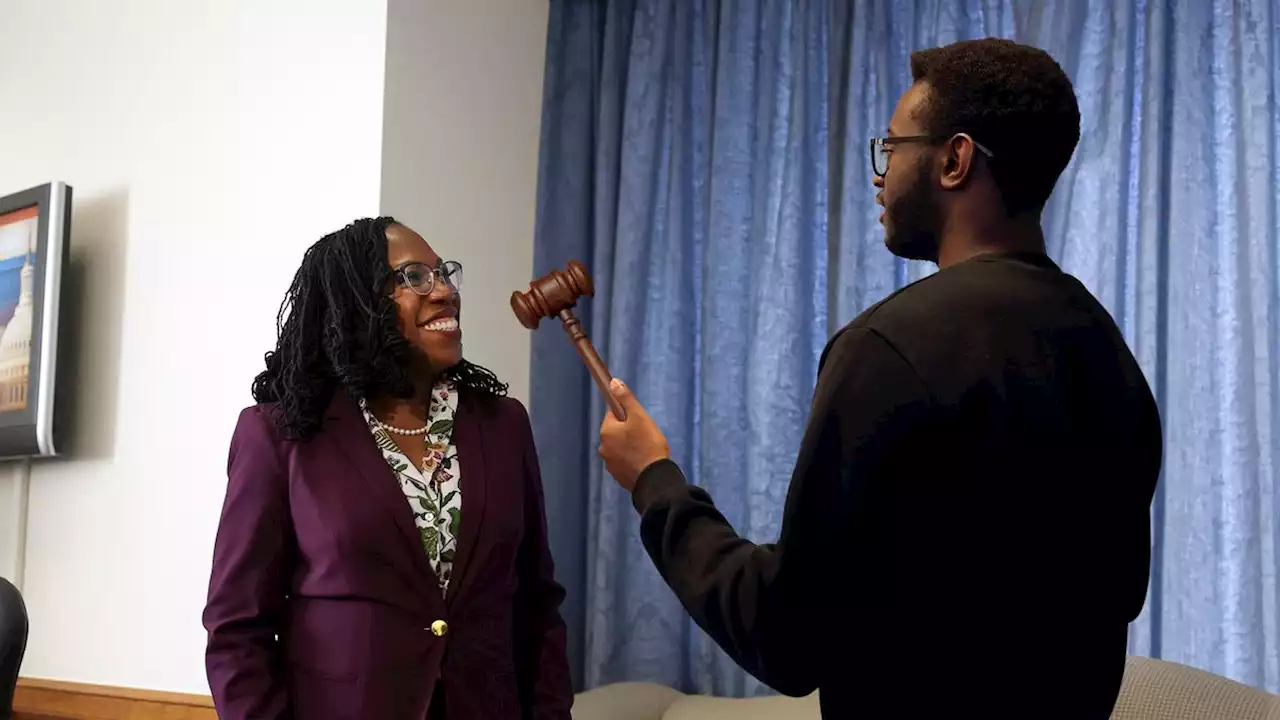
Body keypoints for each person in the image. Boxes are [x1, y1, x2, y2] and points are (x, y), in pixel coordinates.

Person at [597, 38, 1162, 719]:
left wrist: (654, 481)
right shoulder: (1108, 356)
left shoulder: (888, 349)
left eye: (893, 147)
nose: (881, 173)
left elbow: (785, 634)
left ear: (954, 159)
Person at [203, 217, 573, 719]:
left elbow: (537, 605)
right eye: (415, 277)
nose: (444, 290)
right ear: (356, 303)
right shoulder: (280, 436)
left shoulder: (503, 425)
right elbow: (237, 627)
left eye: (444, 273)